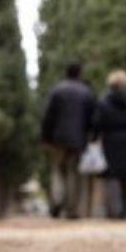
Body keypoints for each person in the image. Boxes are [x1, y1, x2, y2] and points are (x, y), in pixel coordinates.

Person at [41, 61, 96, 218]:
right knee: (74, 172)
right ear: (80, 73)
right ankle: (72, 209)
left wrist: (45, 137)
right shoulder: (86, 92)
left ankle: (58, 200)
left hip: (58, 138)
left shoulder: (57, 91)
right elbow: (92, 118)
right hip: (78, 139)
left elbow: (48, 116)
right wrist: (92, 136)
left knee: (58, 170)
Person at [91, 69, 126, 219]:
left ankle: (115, 209)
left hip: (111, 140)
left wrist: (94, 138)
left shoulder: (104, 101)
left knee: (112, 177)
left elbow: (97, 122)